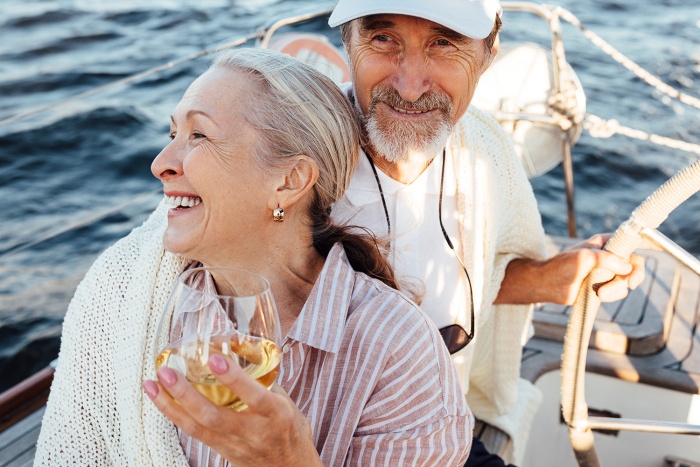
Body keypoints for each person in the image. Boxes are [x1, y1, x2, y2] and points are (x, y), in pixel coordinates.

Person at [34, 48, 472, 466]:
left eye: (199, 135)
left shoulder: (398, 352)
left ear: (290, 181)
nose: (161, 163)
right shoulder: (125, 297)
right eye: (173, 135)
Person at [326, 0, 645, 464]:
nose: (410, 87)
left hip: (442, 426)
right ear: (347, 43)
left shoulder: (486, 149)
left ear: (488, 55)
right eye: (382, 39)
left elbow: (478, 278)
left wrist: (554, 278)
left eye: (444, 43)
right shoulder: (295, 153)